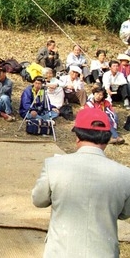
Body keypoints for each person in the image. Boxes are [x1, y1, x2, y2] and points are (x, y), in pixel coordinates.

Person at [32, 108, 130, 257]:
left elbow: (38, 200)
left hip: (60, 252)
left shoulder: (53, 165)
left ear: (77, 136)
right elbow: (123, 214)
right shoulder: (125, 174)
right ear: (107, 138)